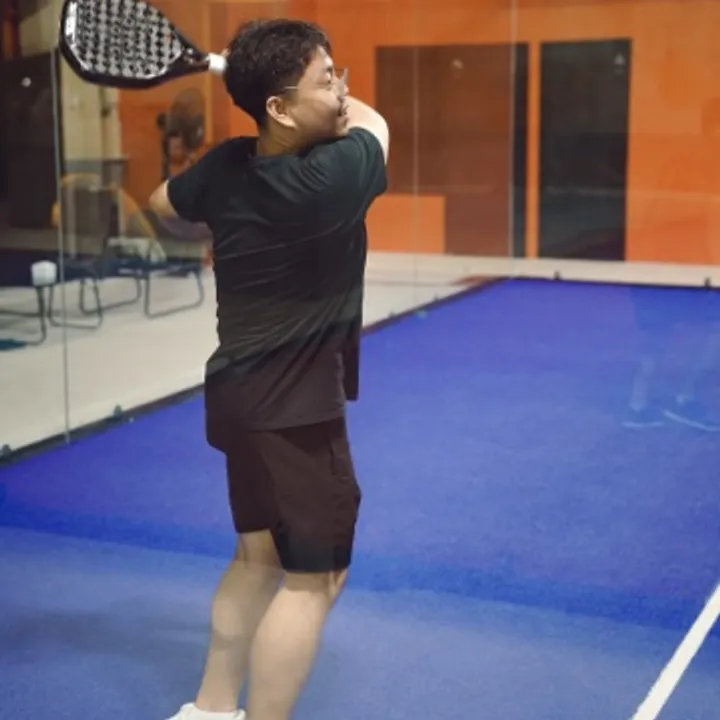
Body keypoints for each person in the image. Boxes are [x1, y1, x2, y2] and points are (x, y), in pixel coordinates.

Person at [148, 18, 389, 720]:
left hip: (236, 398)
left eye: (339, 75)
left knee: (256, 559)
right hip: (296, 410)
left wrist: (222, 223)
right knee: (317, 579)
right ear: (279, 108)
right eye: (327, 80)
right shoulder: (333, 176)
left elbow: (163, 204)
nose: (341, 91)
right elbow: (374, 123)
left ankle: (209, 709)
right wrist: (245, 71)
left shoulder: (228, 164)